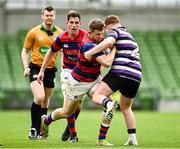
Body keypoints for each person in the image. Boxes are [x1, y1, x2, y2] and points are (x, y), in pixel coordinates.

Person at [37, 18, 118, 146]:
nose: (101, 37)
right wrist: (114, 49)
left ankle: (101, 139)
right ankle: (46, 120)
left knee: (109, 103)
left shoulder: (99, 40)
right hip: (77, 82)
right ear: (90, 33)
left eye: (102, 34)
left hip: (94, 79)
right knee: (67, 112)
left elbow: (108, 43)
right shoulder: (87, 44)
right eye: (98, 34)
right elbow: (107, 63)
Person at [84, 15, 142, 145]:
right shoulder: (130, 36)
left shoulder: (115, 31)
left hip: (120, 72)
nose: (106, 33)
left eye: (106, 29)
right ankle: (132, 138)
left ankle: (109, 104)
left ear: (109, 25)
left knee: (97, 95)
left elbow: (109, 42)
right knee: (126, 108)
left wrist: (91, 52)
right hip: (136, 76)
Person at [21, 6, 63, 139]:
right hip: (35, 68)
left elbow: (64, 52)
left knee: (45, 102)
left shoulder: (60, 33)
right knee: (39, 97)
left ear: (54, 16)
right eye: (47, 15)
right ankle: (33, 129)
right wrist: (26, 66)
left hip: (51, 70)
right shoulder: (33, 32)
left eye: (51, 15)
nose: (49, 17)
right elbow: (25, 51)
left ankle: (42, 131)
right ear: (42, 16)